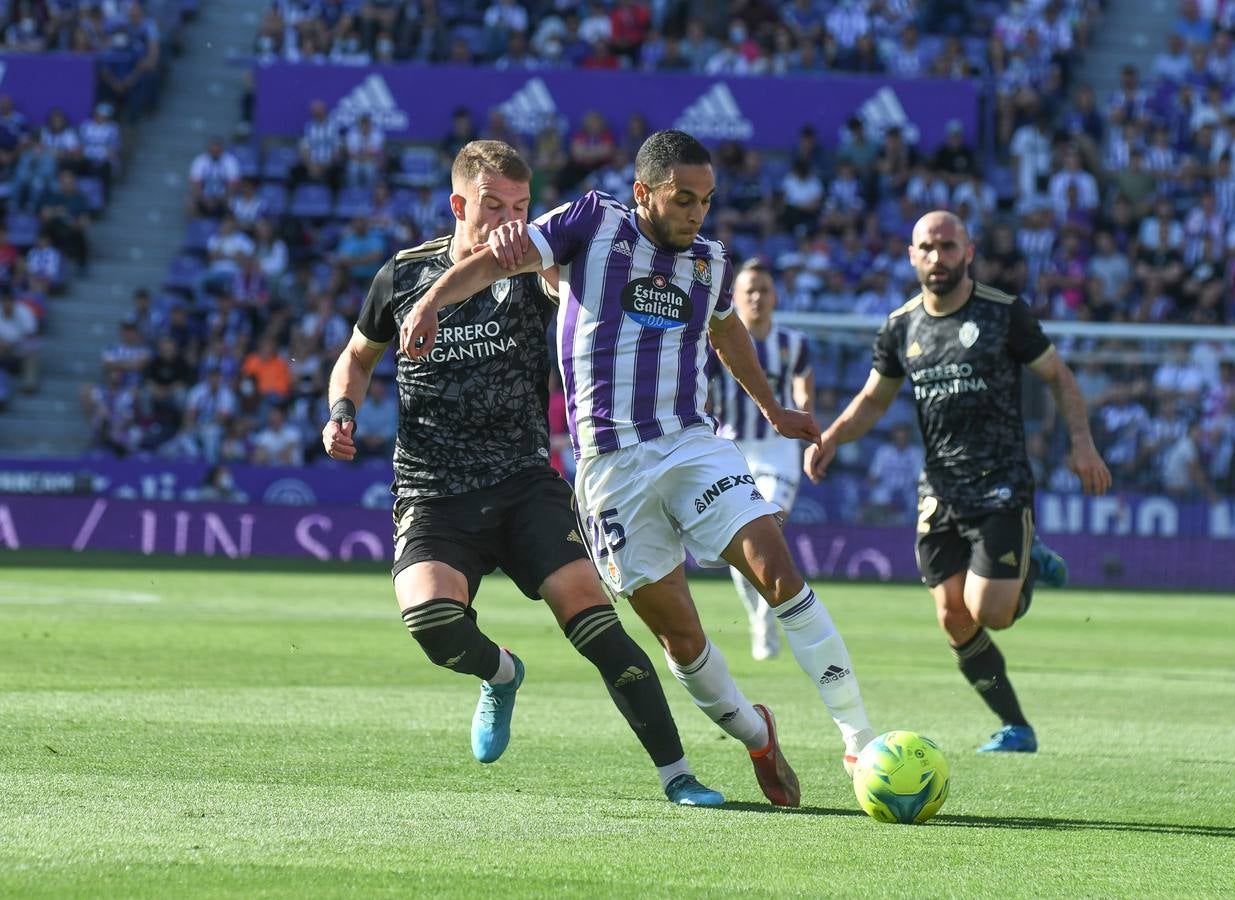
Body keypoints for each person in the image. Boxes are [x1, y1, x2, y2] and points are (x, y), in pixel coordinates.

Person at [401, 130, 877, 805]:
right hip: (609, 470)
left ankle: (858, 738)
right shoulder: (591, 222)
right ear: (644, 192)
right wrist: (429, 302)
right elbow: (495, 264)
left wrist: (770, 407)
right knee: (681, 637)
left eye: (706, 202)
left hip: (690, 444)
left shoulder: (708, 260)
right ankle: (755, 734)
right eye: (684, 199)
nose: (696, 214)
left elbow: (727, 328)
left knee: (777, 567)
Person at [322, 140, 723, 808]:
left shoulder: (537, 277)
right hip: (432, 491)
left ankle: (677, 774)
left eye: (521, 206)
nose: (510, 218)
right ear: (459, 205)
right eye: (493, 206)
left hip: (522, 484)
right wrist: (342, 410)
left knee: (596, 625)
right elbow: (357, 358)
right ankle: (502, 674)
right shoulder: (403, 274)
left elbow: (592, 302)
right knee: (433, 625)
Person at [805, 210, 1112, 753]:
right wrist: (830, 437)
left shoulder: (1003, 314)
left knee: (989, 612)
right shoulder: (900, 326)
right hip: (940, 489)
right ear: (911, 255)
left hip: (1001, 484)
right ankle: (1015, 726)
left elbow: (1059, 377)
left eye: (948, 247)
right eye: (926, 247)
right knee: (953, 616)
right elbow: (875, 399)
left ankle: (1026, 560)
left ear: (968, 252)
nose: (937, 257)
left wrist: (1083, 446)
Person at [706, 257, 814, 662]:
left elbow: (804, 388)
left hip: (779, 450)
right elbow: (706, 395)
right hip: (733, 450)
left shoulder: (793, 343)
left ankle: (767, 615)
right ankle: (761, 617)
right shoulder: (719, 343)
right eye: (749, 290)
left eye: (764, 290)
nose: (756, 297)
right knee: (743, 541)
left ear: (775, 296)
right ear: (735, 296)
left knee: (764, 527)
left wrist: (806, 415)